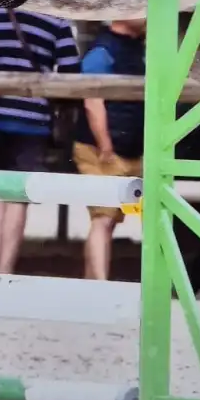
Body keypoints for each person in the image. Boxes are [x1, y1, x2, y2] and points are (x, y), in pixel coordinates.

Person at [0, 6, 80, 274]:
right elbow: (71, 71)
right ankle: (5, 270)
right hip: (32, 119)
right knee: (18, 195)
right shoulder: (55, 18)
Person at [72, 19, 146, 280]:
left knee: (109, 220)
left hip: (129, 149)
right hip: (102, 150)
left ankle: (92, 283)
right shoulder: (102, 51)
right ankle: (101, 287)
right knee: (103, 219)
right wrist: (105, 146)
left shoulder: (137, 49)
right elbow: (93, 101)